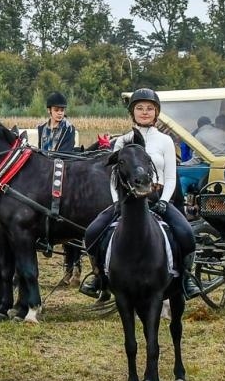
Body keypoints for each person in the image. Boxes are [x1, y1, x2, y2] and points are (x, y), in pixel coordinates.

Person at [79, 89, 201, 298]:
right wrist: (117, 201)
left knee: (186, 234)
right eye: (140, 108)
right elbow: (113, 177)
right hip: (128, 201)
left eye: (150, 109)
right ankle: (98, 276)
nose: (145, 112)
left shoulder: (165, 141)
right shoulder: (122, 141)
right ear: (132, 112)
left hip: (156, 198)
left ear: (156, 112)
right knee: (92, 231)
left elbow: (171, 176)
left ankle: (185, 278)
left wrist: (164, 201)